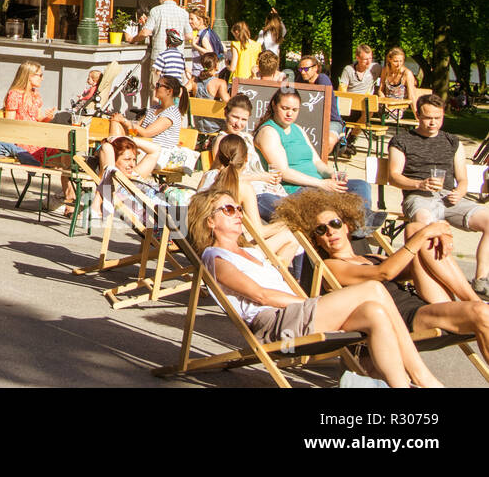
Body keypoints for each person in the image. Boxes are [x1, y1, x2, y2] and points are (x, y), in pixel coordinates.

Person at [188, 188, 442, 388]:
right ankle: (423, 378)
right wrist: (310, 304)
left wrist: (312, 304)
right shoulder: (215, 256)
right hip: (276, 326)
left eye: (239, 208)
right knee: (373, 289)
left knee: (374, 312)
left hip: (293, 315)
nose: (238, 214)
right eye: (229, 209)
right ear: (210, 221)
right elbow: (260, 294)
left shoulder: (251, 251)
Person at [275, 189, 489, 363]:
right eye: (320, 231)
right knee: (480, 313)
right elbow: (383, 273)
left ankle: (473, 298)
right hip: (407, 318)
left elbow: (412, 260)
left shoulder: (368, 255)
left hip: (425, 302)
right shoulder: (333, 266)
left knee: (414, 227)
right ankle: (476, 302)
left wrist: (435, 233)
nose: (330, 232)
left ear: (347, 226)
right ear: (316, 240)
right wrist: (426, 232)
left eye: (335, 224)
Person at [388, 94, 489, 298]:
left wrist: (460, 191)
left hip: (448, 197)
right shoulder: (402, 140)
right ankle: (441, 285)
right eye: (428, 117)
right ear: (417, 115)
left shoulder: (452, 141)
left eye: (438, 117)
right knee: (426, 225)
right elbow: (394, 176)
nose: (433, 122)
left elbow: (463, 179)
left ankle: (481, 280)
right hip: (418, 196)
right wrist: (420, 183)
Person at [254, 88, 375, 215]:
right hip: (297, 188)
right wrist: (321, 184)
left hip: (319, 184)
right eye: (285, 108)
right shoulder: (268, 132)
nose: (290, 114)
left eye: (294, 110)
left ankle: (361, 221)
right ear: (274, 105)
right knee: (331, 203)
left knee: (361, 186)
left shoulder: (298, 129)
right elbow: (284, 172)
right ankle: (362, 223)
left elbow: (316, 161)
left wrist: (331, 173)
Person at [197, 135, 299, 264]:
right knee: (290, 237)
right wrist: (291, 224)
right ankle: (274, 280)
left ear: (219, 156)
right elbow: (259, 232)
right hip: (226, 256)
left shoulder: (207, 176)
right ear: (246, 159)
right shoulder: (244, 188)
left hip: (201, 250)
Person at [209, 94, 286, 221]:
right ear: (225, 114)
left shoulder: (248, 138)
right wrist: (261, 177)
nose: (238, 124)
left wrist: (271, 176)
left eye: (244, 119)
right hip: (253, 193)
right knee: (289, 216)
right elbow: (223, 177)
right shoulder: (223, 140)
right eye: (235, 117)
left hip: (270, 189)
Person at [102, 74, 188, 179]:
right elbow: (138, 127)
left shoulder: (172, 113)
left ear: (168, 91)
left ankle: (111, 170)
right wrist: (121, 122)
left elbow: (147, 133)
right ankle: (113, 169)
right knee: (115, 122)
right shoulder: (154, 108)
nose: (155, 88)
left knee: (114, 144)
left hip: (155, 152)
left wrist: (125, 121)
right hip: (143, 146)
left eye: (158, 85)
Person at [131, 0, 193, 98]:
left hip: (159, 55)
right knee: (174, 88)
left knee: (156, 88)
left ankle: (156, 113)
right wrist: (177, 39)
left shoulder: (156, 10)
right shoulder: (183, 13)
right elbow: (189, 35)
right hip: (177, 56)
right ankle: (172, 112)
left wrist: (132, 39)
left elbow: (145, 32)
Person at [296, 54, 342, 156]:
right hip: (308, 123)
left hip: (331, 121)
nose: (303, 72)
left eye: (306, 69)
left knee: (328, 142)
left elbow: (322, 106)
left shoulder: (323, 79)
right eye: (300, 69)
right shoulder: (300, 80)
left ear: (316, 68)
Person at [192, 52, 230, 136]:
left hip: (199, 127)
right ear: (216, 65)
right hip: (216, 127)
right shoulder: (220, 83)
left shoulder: (194, 81)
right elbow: (228, 102)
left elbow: (180, 91)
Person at [379, 46, 419, 122]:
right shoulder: (385, 70)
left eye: (401, 61)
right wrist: (383, 99)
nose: (398, 64)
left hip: (398, 106)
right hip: (385, 104)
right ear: (389, 60)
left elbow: (411, 96)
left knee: (387, 116)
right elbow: (381, 89)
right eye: (396, 61)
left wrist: (416, 115)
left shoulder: (407, 73)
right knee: (369, 108)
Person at [189, 5, 224, 75]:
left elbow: (210, 52)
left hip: (201, 72)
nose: (189, 21)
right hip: (206, 71)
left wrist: (194, 45)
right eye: (189, 19)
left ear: (200, 20)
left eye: (192, 19)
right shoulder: (208, 32)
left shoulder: (203, 35)